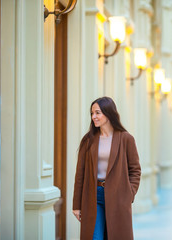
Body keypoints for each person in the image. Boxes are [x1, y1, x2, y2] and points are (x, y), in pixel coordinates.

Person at [72, 97, 141, 240]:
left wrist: (129, 193)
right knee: (95, 237)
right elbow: (80, 174)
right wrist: (76, 204)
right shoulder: (88, 140)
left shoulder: (126, 139)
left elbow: (135, 170)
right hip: (93, 195)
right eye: (92, 113)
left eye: (97, 113)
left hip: (118, 196)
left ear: (109, 113)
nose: (94, 117)